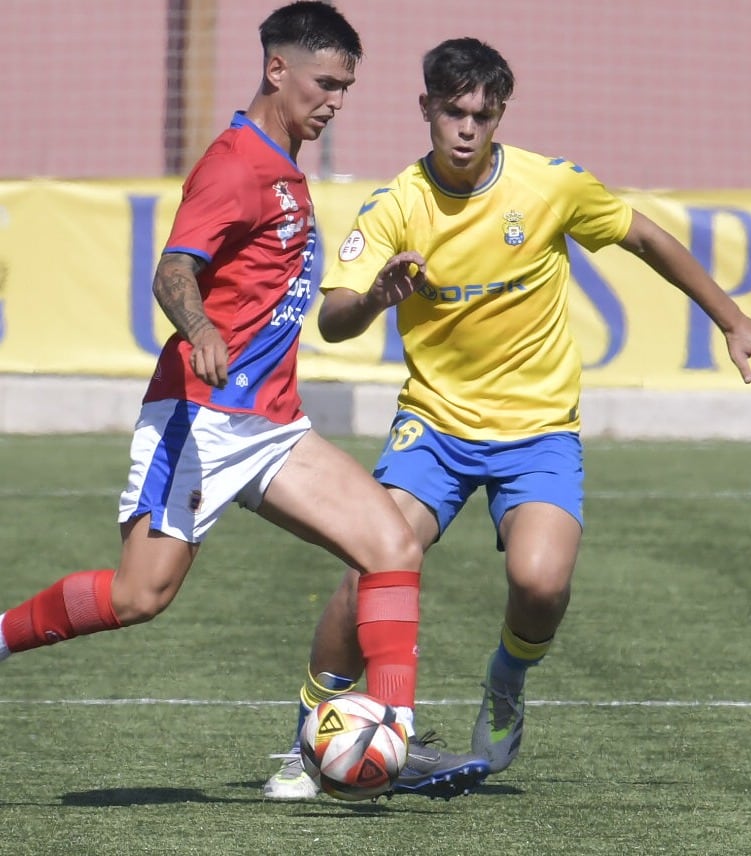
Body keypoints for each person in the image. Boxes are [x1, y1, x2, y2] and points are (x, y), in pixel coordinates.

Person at [262, 35, 751, 800]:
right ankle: (305, 739)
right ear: (427, 108)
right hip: (436, 429)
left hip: (539, 430)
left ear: (500, 117)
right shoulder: (394, 205)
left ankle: (506, 680)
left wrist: (732, 319)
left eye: (482, 115)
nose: (465, 128)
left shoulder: (550, 186)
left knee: (541, 584)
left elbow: (645, 235)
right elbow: (334, 319)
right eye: (453, 112)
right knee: (371, 570)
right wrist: (377, 299)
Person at [0, 5, 488, 802]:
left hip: (271, 426)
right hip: (199, 421)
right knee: (138, 597)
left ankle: (391, 731)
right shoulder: (236, 164)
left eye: (346, 88)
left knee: (393, 546)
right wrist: (197, 326)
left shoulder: (286, 165)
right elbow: (172, 271)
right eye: (325, 83)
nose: (335, 101)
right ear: (276, 72)